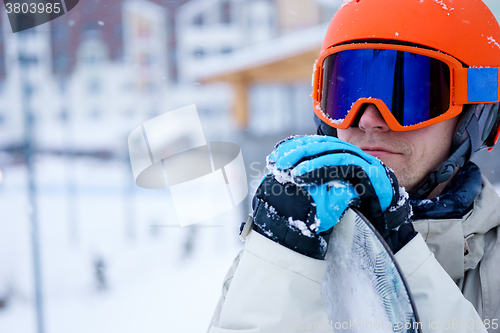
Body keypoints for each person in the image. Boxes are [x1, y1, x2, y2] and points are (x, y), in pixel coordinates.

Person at [207, 0, 500, 332]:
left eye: (409, 95)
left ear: (475, 115)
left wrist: (401, 254)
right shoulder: (282, 246)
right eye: (347, 94)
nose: (369, 120)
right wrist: (281, 261)